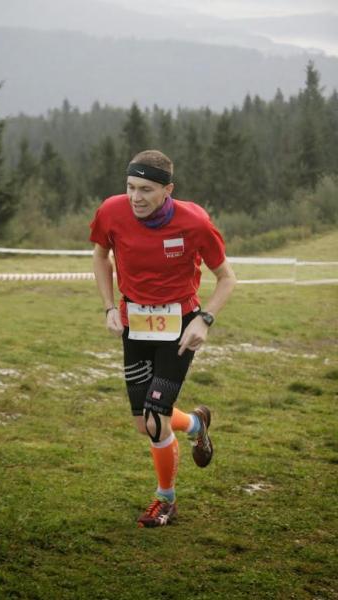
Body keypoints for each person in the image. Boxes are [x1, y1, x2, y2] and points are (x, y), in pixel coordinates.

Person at [90, 149, 236, 528]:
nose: (135, 197)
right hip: (135, 324)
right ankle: (196, 425)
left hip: (180, 327)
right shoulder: (111, 211)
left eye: (146, 189)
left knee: (156, 420)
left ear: (168, 190)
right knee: (145, 424)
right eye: (130, 187)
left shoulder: (194, 222)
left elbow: (227, 278)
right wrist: (108, 307)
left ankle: (166, 500)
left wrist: (204, 320)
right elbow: (101, 256)